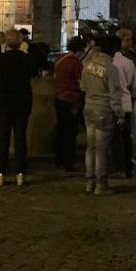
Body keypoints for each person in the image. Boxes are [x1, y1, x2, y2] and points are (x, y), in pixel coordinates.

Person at [0, 28, 37, 186]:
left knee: (3, 137)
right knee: (20, 136)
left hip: (4, 100)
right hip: (23, 99)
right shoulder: (26, 58)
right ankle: (20, 172)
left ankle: (1, 172)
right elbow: (35, 72)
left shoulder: (1, 59)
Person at [81, 36, 124, 195]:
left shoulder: (88, 64)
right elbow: (115, 95)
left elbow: (82, 86)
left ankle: (89, 181)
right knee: (101, 149)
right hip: (104, 110)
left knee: (90, 147)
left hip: (89, 107)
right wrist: (119, 114)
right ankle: (101, 183)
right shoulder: (111, 69)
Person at [53, 36, 86, 171]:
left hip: (59, 97)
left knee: (61, 129)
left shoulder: (60, 59)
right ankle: (68, 161)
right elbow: (81, 82)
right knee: (70, 132)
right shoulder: (75, 62)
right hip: (72, 99)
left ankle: (58, 158)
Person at [112, 32, 136, 178]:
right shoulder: (128, 62)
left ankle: (117, 166)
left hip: (112, 102)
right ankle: (127, 166)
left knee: (114, 137)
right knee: (126, 136)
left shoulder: (110, 62)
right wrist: (133, 96)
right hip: (125, 101)